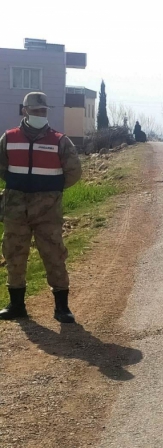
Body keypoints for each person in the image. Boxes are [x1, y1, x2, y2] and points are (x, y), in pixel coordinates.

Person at [0, 92, 83, 322]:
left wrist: (52, 189)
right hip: (16, 210)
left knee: (54, 255)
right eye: (35, 111)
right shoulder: (9, 138)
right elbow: (1, 166)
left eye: (43, 111)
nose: (40, 115)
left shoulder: (59, 141)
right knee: (14, 254)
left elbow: (74, 172)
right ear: (24, 111)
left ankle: (62, 308)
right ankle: (16, 306)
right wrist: (16, 185)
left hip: (48, 210)